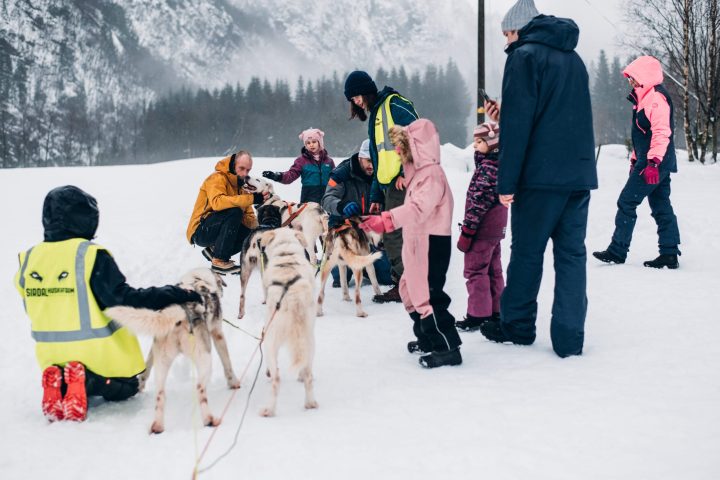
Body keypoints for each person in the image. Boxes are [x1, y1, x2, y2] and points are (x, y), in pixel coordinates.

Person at [14, 186, 202, 422]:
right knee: (129, 386)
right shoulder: (89, 255)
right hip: (98, 357)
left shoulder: (29, 258)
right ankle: (87, 380)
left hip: (52, 355)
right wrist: (174, 293)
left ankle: (60, 379)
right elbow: (126, 300)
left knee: (65, 367)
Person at [479, 0, 598, 358]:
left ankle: (516, 327)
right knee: (572, 256)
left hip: (540, 177)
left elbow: (520, 127)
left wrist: (506, 183)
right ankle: (569, 338)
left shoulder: (524, 56)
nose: (506, 42)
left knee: (528, 253)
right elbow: (556, 112)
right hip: (577, 175)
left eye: (507, 34)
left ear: (520, 28)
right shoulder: (573, 58)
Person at [360, 119, 462, 369]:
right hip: (416, 240)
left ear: (417, 146)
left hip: (431, 242)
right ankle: (428, 336)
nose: (397, 151)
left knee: (428, 294)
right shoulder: (419, 174)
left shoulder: (431, 176)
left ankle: (446, 347)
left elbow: (418, 209)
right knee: (409, 289)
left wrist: (386, 220)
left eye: (401, 146)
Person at [593, 56, 681, 269]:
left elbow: (662, 133)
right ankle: (669, 254)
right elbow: (642, 135)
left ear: (644, 76)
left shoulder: (656, 98)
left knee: (627, 201)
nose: (630, 81)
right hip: (652, 161)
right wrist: (635, 159)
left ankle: (617, 250)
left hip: (654, 162)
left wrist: (653, 162)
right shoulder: (644, 98)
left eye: (632, 77)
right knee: (661, 205)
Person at [344, 70, 419, 303]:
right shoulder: (376, 114)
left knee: (396, 235)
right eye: (352, 99)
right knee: (394, 235)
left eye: (357, 96)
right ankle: (408, 282)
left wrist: (405, 170)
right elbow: (378, 160)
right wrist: (376, 193)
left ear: (367, 90)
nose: (356, 102)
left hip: (402, 183)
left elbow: (419, 134)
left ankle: (405, 285)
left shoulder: (394, 104)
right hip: (388, 186)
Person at [455, 122, 508, 332]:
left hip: (482, 230)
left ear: (492, 143)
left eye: (479, 142)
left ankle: (478, 315)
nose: (474, 146)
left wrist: (468, 230)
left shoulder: (487, 169)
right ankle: (497, 311)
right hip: (496, 229)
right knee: (494, 270)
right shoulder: (499, 165)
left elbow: (477, 204)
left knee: (475, 271)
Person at [321, 139, 392, 287]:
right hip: (345, 226)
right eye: (368, 161)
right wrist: (341, 206)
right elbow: (327, 199)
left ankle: (367, 267)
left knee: (386, 277)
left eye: (375, 161)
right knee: (340, 279)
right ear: (360, 157)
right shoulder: (341, 173)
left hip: (371, 229)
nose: (372, 166)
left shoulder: (384, 174)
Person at [186, 150, 266, 274]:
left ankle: (214, 251)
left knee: (250, 230)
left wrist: (262, 230)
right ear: (233, 165)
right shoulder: (216, 178)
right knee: (234, 211)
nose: (245, 173)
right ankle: (220, 261)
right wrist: (252, 198)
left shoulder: (242, 188)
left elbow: (249, 216)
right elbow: (217, 203)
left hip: (214, 229)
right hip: (200, 231)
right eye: (242, 168)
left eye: (248, 170)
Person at [262, 128, 335, 204]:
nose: (311, 145)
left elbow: (334, 179)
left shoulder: (329, 161)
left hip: (327, 200)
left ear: (320, 143)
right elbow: (291, 175)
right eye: (308, 143)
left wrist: (334, 191)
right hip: (308, 200)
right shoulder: (301, 161)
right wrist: (277, 176)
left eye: (314, 142)